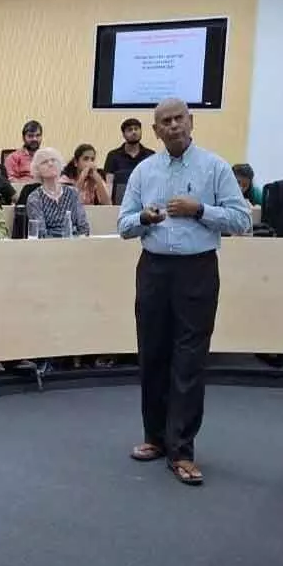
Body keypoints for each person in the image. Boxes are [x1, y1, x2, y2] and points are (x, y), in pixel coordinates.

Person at [118, 98, 251, 486]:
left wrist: (199, 210)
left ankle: (182, 450)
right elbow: (124, 224)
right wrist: (144, 217)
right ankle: (155, 438)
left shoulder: (215, 167)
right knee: (153, 353)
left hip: (197, 270)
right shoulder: (144, 171)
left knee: (189, 358)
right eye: (165, 122)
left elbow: (242, 219)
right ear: (155, 130)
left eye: (179, 119)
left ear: (191, 122)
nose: (173, 126)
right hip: (154, 270)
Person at [25, 147, 90, 237]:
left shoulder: (73, 193)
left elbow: (84, 227)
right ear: (37, 170)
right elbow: (41, 233)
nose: (50, 164)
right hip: (49, 246)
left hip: (75, 243)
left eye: (53, 160)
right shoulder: (35, 197)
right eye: (44, 162)